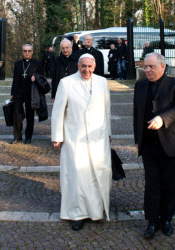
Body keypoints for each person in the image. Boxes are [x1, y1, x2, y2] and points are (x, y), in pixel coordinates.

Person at [51, 53, 112, 231]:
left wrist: (109, 132)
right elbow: (58, 111)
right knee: (76, 177)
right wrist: (57, 136)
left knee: (96, 174)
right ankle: (76, 214)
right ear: (78, 66)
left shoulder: (102, 82)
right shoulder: (66, 83)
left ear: (95, 67)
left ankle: (96, 211)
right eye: (83, 66)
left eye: (89, 67)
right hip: (74, 137)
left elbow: (107, 109)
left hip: (98, 138)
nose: (86, 70)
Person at [133, 52, 175, 239]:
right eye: (145, 67)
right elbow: (137, 113)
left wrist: (162, 118)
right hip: (148, 144)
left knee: (169, 183)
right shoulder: (140, 85)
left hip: (170, 142)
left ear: (162, 67)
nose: (147, 70)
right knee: (151, 184)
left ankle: (166, 219)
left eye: (151, 67)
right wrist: (137, 140)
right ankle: (151, 221)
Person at [10, 44, 43, 144]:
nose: (27, 53)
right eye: (25, 51)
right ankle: (17, 136)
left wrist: (36, 78)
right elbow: (15, 80)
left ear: (32, 52)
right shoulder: (18, 64)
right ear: (22, 52)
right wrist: (12, 94)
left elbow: (42, 77)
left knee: (30, 115)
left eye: (29, 51)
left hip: (31, 92)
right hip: (19, 92)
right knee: (16, 114)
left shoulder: (37, 63)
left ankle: (28, 137)